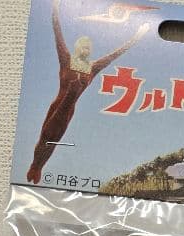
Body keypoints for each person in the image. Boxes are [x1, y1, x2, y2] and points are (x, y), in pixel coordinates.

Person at [26, 0, 150, 184]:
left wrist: (137, 36)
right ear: (77, 48)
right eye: (83, 47)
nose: (86, 50)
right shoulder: (66, 60)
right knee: (46, 136)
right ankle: (34, 166)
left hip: (69, 110)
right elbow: (58, 33)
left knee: (53, 140)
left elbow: (115, 54)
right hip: (58, 104)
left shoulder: (92, 68)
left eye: (88, 48)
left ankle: (39, 168)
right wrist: (55, 8)